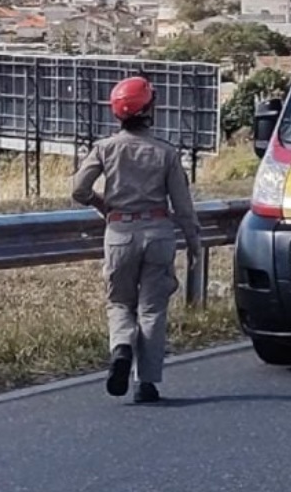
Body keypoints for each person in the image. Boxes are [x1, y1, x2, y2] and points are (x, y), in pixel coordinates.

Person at [71, 76, 202, 403]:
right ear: (149, 109)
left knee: (119, 302)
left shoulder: (105, 148)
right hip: (158, 234)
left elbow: (79, 190)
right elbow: (183, 206)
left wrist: (104, 206)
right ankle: (147, 383)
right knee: (152, 310)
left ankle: (122, 348)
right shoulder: (166, 153)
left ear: (118, 114)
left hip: (118, 234)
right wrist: (194, 243)